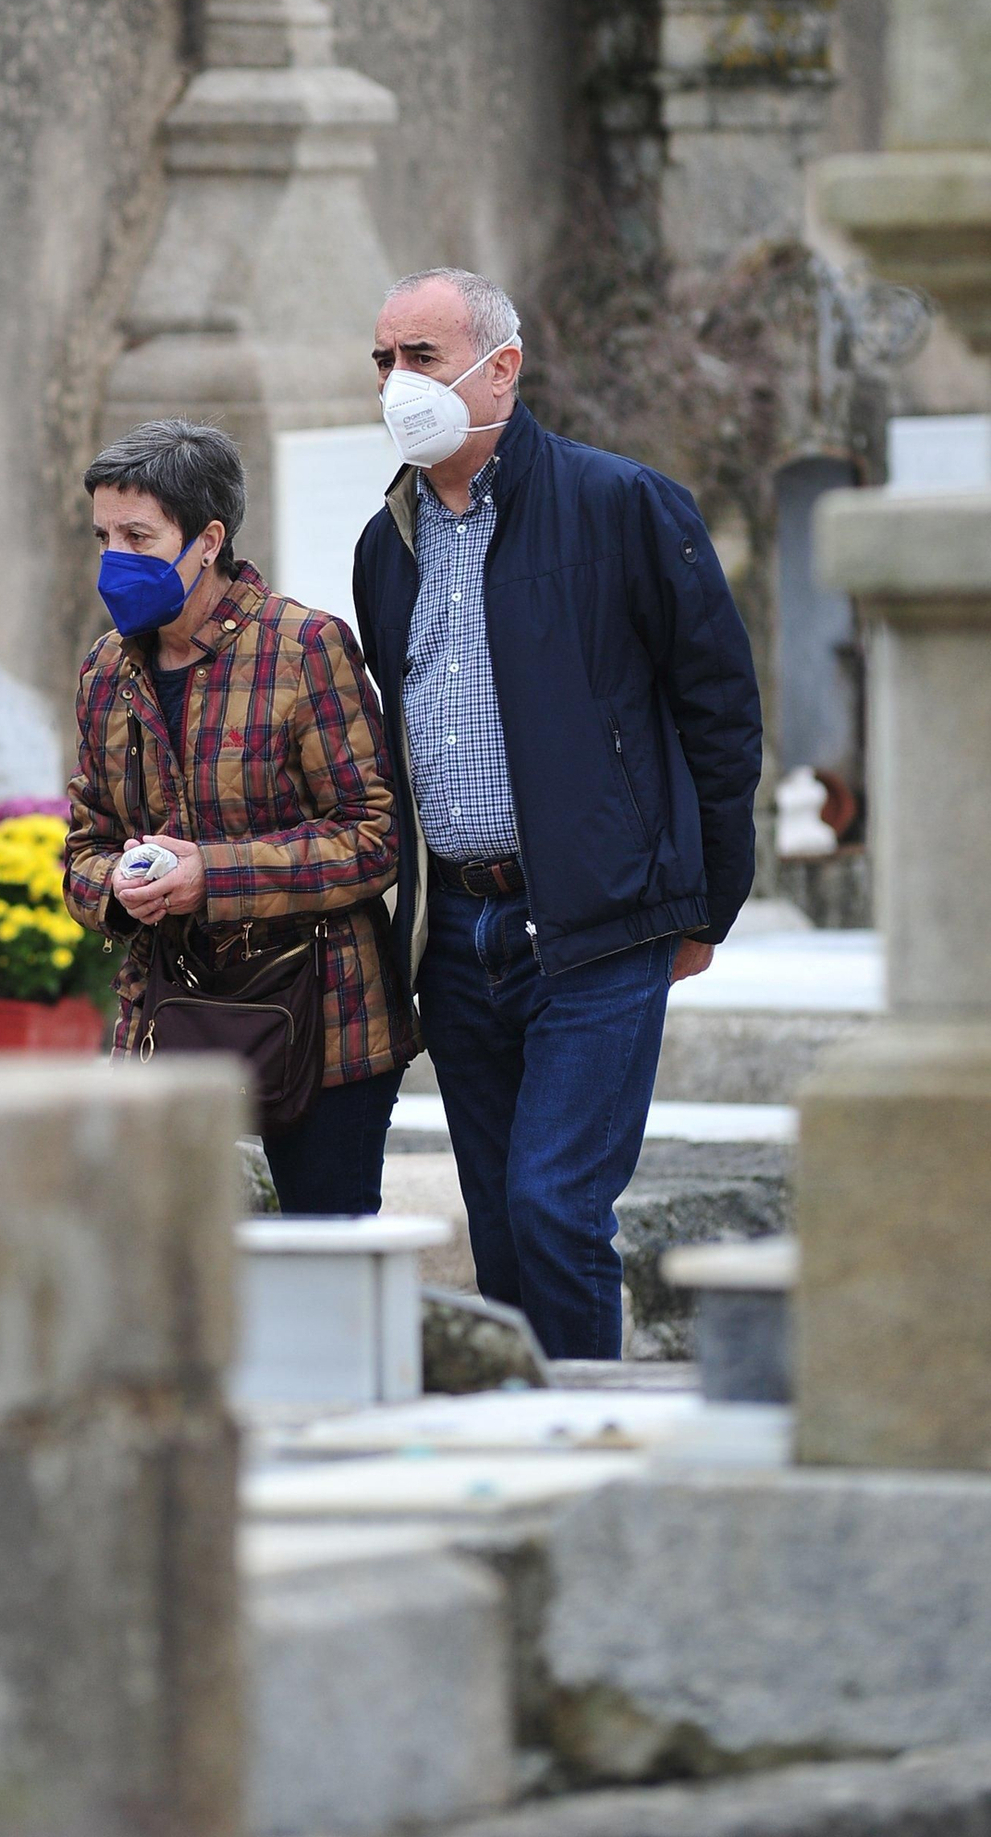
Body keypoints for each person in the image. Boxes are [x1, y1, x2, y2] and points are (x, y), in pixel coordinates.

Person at [352, 269, 761, 1358]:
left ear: (503, 367)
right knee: (497, 1229)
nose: (398, 383)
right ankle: (516, 1457)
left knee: (553, 1205)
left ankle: (589, 1447)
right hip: (461, 938)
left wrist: (707, 904)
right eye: (384, 361)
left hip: (599, 919)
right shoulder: (381, 544)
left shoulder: (623, 504)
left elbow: (716, 709)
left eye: (422, 358)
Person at [64, 419, 418, 1213]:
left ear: (209, 538)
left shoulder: (305, 648)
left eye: (138, 536)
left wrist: (210, 877)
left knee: (326, 1263)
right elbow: (82, 846)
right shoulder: (105, 671)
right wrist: (117, 887)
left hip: (326, 1019)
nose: (113, 560)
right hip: (168, 1014)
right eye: (102, 537)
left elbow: (373, 836)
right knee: (158, 1263)